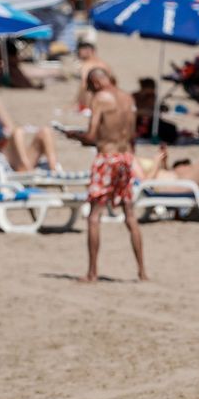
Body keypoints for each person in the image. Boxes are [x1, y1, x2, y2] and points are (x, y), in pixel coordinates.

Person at [61, 68, 147, 283]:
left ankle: (92, 272)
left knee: (94, 216)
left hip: (107, 158)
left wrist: (74, 135)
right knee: (130, 215)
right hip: (126, 158)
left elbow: (91, 136)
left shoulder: (100, 99)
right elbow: (133, 135)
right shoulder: (128, 98)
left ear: (97, 83)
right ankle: (142, 271)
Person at [74, 41, 114, 109]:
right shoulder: (105, 64)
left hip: (94, 101)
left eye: (79, 51)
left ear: (88, 51)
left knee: (88, 88)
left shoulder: (87, 65)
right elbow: (112, 81)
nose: (78, 54)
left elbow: (84, 85)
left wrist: (76, 102)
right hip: (110, 96)